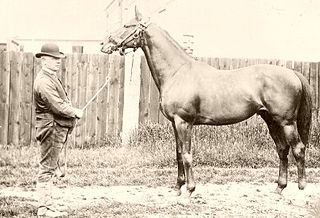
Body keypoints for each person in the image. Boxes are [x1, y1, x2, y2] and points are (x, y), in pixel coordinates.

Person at [34, 43, 83, 217]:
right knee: (47, 168)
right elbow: (57, 105)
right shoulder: (43, 81)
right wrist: (74, 111)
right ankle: (44, 209)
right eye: (53, 59)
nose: (57, 62)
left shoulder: (50, 76)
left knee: (51, 167)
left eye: (58, 59)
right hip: (51, 128)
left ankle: (50, 205)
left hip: (56, 127)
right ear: (44, 60)